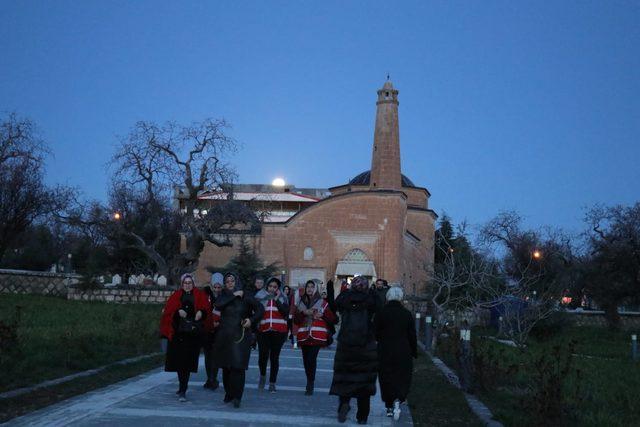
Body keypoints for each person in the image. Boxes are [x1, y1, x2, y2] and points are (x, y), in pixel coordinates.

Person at [329, 276, 382, 424]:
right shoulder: (370, 299)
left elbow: (335, 304)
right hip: (366, 345)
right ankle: (362, 417)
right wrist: (373, 292)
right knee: (364, 383)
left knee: (345, 379)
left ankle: (344, 405)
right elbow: (380, 306)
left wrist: (345, 291)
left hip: (346, 344)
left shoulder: (345, 297)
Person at [213, 273, 264, 408]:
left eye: (232, 280)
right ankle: (229, 393)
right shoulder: (223, 295)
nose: (230, 283)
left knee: (238, 367)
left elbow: (260, 309)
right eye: (227, 281)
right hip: (225, 336)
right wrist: (234, 295)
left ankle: (237, 396)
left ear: (237, 281)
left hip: (240, 335)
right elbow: (218, 305)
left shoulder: (246, 295)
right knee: (226, 367)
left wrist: (251, 320)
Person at [160, 273, 209, 402]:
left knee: (186, 364)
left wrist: (201, 312)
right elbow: (168, 312)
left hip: (192, 335)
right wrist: (177, 312)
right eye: (185, 283)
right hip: (178, 335)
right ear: (182, 284)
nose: (187, 285)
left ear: (193, 284)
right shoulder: (176, 296)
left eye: (190, 283)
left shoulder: (199, 295)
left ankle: (183, 388)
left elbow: (206, 310)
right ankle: (182, 387)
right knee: (179, 363)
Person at [374, 286, 417, 420]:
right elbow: (412, 335)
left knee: (386, 376)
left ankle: (388, 405)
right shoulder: (406, 314)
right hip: (403, 350)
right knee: (401, 375)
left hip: (385, 350)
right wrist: (414, 351)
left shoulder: (381, 313)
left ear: (388, 297)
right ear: (400, 298)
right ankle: (399, 397)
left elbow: (374, 332)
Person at [294, 280, 336, 395]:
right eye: (308, 287)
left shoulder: (322, 302)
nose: (310, 289)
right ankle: (309, 380)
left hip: (317, 335)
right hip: (304, 336)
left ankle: (310, 383)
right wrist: (303, 313)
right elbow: (296, 320)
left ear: (316, 289)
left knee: (311, 359)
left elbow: (333, 318)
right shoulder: (300, 302)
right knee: (306, 361)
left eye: (312, 287)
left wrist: (323, 315)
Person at [255, 277, 290, 392]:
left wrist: (276, 299)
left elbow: (285, 312)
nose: (272, 289)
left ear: (278, 288)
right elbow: (256, 312)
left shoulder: (283, 298)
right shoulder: (260, 296)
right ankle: (263, 376)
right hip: (263, 331)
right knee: (262, 357)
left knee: (274, 358)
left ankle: (272, 382)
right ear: (267, 286)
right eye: (270, 286)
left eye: (275, 287)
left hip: (278, 332)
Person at [202, 274, 223, 390]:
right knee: (207, 356)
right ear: (211, 286)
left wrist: (219, 323)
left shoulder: (224, 296)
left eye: (219, 287)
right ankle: (209, 378)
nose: (217, 290)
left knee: (215, 356)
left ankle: (213, 378)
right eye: (215, 287)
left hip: (219, 330)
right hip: (207, 330)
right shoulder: (205, 295)